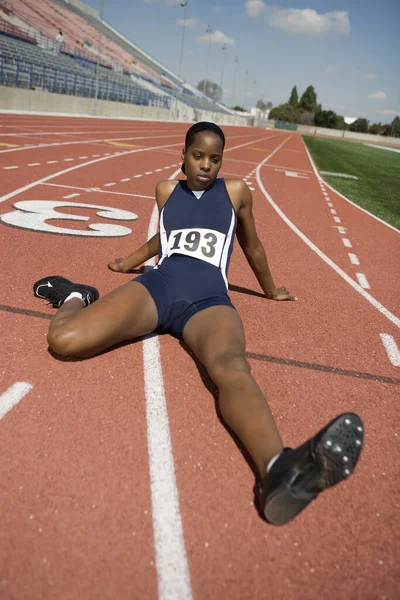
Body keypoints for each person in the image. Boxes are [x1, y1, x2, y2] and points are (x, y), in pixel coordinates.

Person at [33, 122, 364, 526]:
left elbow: (252, 244)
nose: (206, 165)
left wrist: (271, 288)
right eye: (198, 156)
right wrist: (128, 262)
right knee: (64, 339)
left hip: (209, 299)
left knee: (230, 366)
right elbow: (166, 237)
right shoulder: (164, 190)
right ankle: (75, 296)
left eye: (215, 158)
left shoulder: (237, 191)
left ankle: (279, 468)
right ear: (184, 155)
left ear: (222, 161)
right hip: (160, 286)